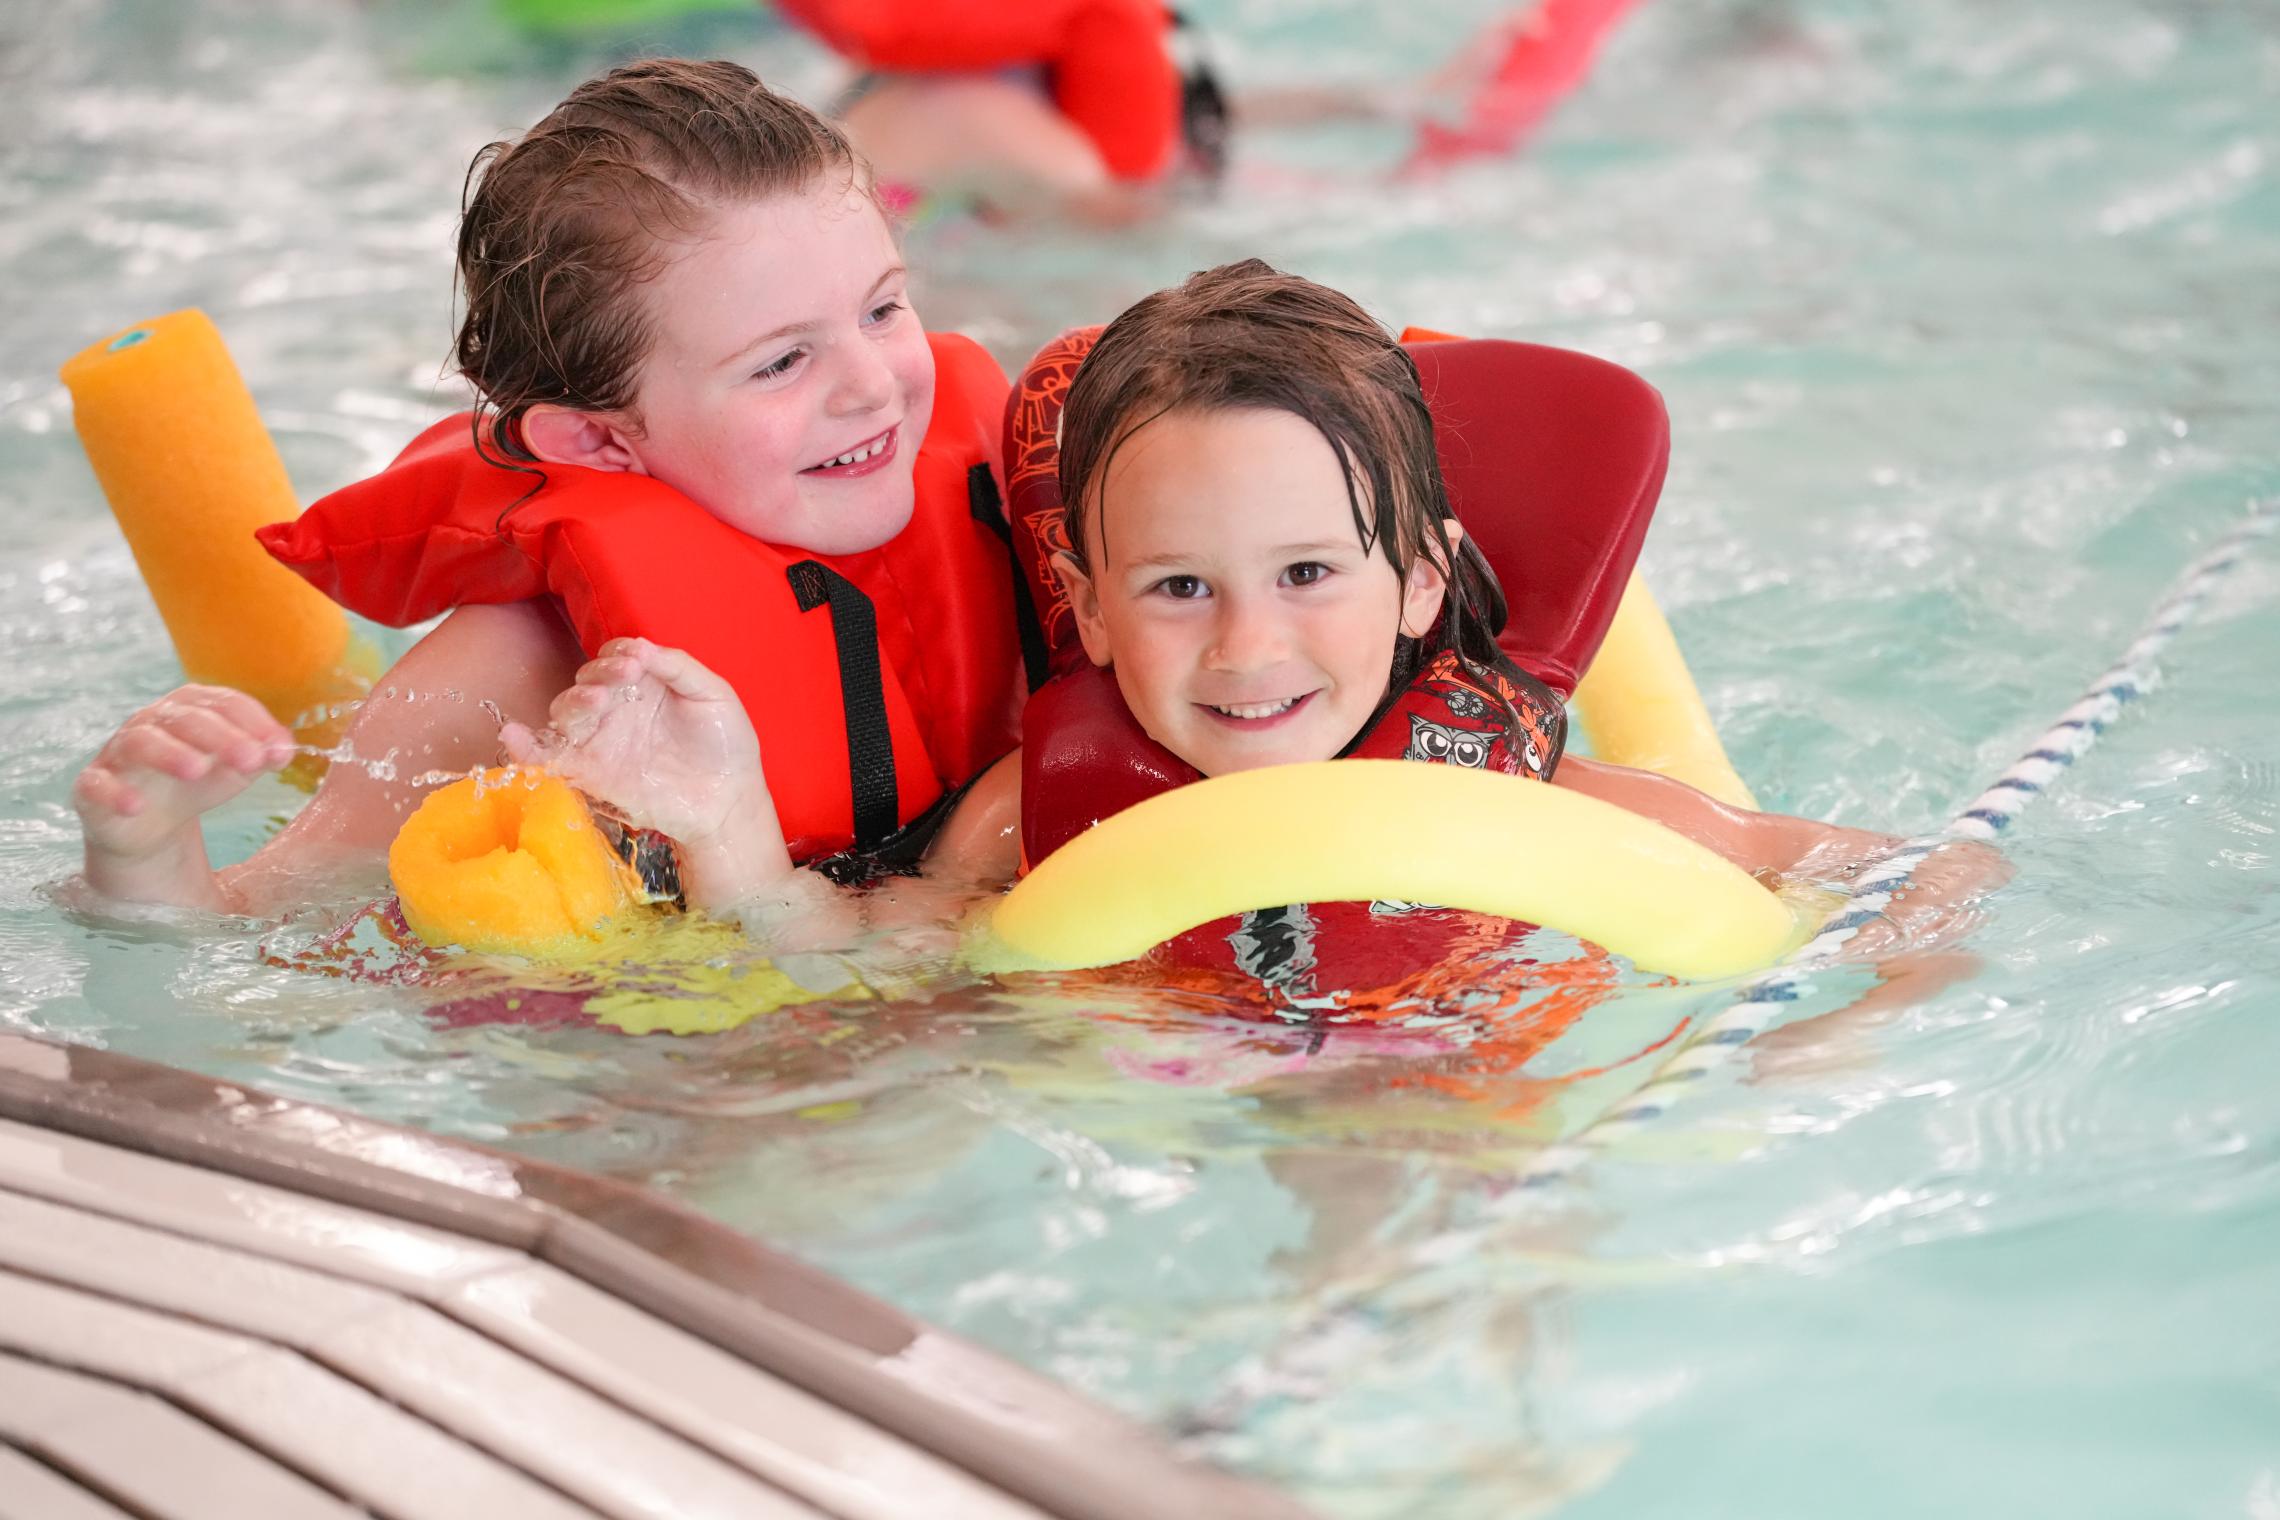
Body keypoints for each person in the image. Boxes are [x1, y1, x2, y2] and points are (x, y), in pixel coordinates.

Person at [529, 260, 2003, 950]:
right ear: (1087, 611)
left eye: (1309, 574)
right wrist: (723, 831)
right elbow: (845, 968)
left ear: (1419, 582)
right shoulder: (1031, 818)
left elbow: (1929, 879)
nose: (1247, 649)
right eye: (1180, 589)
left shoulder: (1520, 792)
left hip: (1462, 1117)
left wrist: (1851, 1032)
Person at [72, 58, 1028, 919]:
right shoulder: (510, 681)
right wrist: (146, 855)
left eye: (883, 308)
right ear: (600, 440)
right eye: (781, 363)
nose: (871, 384)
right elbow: (256, 928)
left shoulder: (1020, 497)